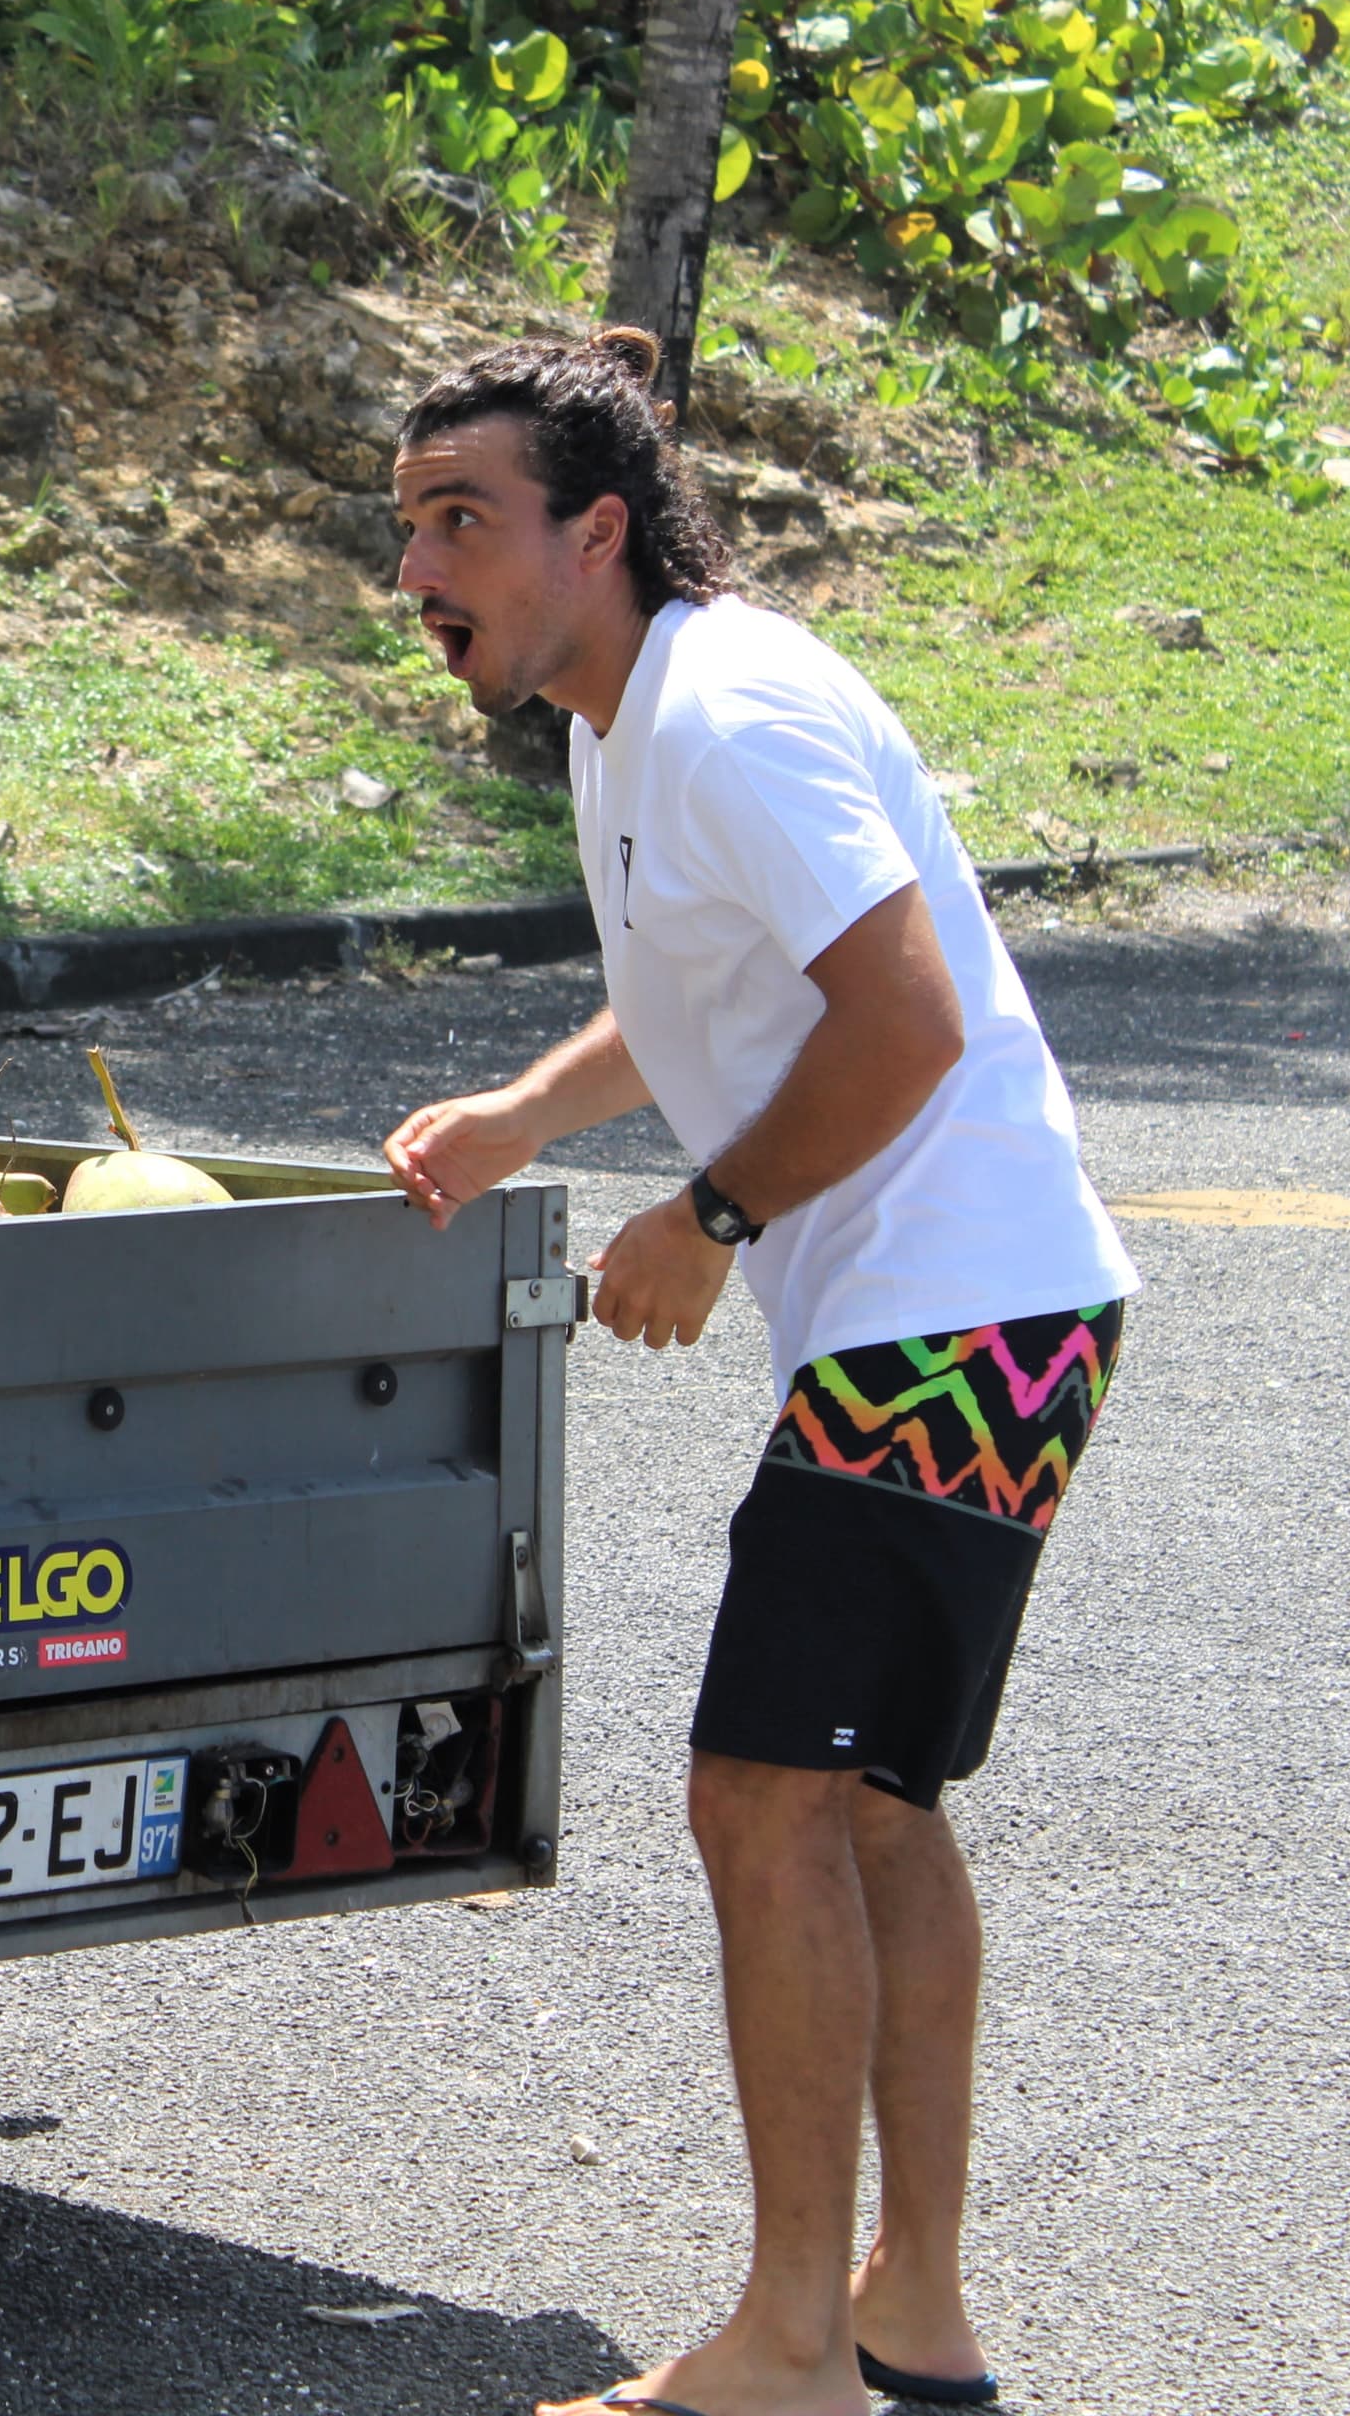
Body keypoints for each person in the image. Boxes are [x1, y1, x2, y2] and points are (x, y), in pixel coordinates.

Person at [379, 329, 1134, 2416]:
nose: (422, 566)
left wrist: (701, 1222)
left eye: (465, 520)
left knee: (766, 1794)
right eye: (408, 524)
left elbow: (904, 1020)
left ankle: (793, 2338)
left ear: (596, 531)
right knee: (871, 1806)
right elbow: (708, 985)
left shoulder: (726, 712)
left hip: (952, 1318)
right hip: (979, 1313)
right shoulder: (640, 716)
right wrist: (530, 1116)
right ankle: (909, 2304)